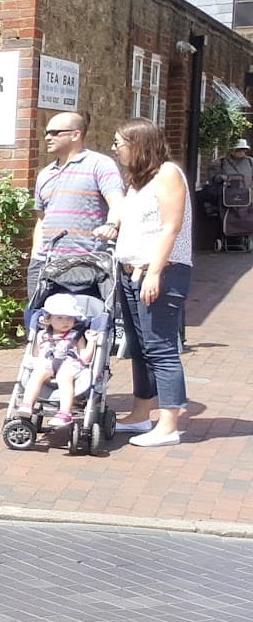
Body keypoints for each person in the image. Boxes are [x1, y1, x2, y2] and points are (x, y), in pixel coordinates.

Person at [110, 117, 191, 448]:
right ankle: (141, 413)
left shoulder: (169, 174)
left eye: (119, 142)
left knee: (161, 347)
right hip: (130, 271)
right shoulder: (137, 181)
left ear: (139, 144)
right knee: (140, 348)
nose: (114, 148)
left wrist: (155, 271)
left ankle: (169, 423)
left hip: (160, 271)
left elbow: (171, 227)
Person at [28, 113, 123, 289]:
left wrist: (111, 225)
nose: (48, 137)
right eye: (47, 132)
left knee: (85, 316)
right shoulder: (45, 174)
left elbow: (117, 203)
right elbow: (42, 219)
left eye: (56, 132)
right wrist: (36, 257)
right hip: (47, 264)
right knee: (41, 316)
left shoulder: (100, 164)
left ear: (76, 134)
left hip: (88, 264)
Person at [19, 293, 93, 427]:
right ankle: (27, 404)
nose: (65, 321)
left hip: (69, 365)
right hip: (47, 363)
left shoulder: (76, 336)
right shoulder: (42, 335)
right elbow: (36, 354)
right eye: (59, 317)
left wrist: (92, 342)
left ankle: (64, 413)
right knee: (36, 374)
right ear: (48, 319)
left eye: (69, 317)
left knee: (64, 378)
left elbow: (85, 357)